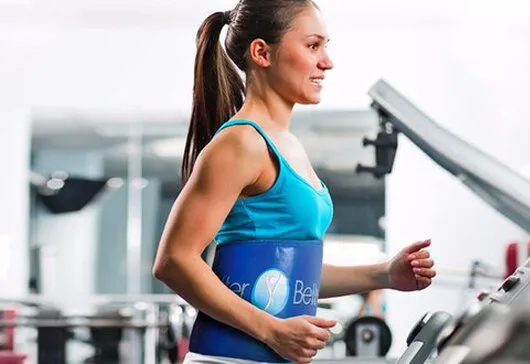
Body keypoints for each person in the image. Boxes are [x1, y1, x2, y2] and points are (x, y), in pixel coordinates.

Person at [152, 1, 438, 363]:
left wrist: (385, 274)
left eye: (325, 46)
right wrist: (272, 330)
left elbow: (294, 278)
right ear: (262, 53)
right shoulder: (240, 143)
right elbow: (174, 261)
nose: (327, 61)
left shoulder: (287, 144)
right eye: (313, 45)